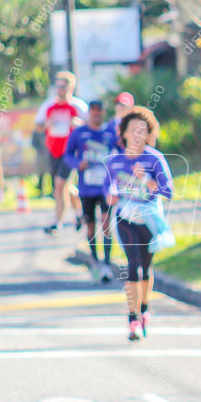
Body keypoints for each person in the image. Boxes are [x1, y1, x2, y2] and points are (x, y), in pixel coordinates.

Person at [103, 106, 173, 341]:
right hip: (125, 218)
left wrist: (150, 181)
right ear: (123, 133)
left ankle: (144, 310)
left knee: (146, 268)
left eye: (141, 131)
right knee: (134, 265)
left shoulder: (154, 158)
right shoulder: (114, 162)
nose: (136, 135)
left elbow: (169, 190)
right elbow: (109, 189)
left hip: (150, 220)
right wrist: (111, 196)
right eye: (132, 130)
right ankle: (132, 319)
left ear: (148, 134)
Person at [64, 100, 118, 282]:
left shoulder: (110, 133)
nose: (96, 114)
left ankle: (108, 263)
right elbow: (67, 155)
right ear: (89, 113)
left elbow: (121, 151)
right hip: (86, 188)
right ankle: (95, 261)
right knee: (90, 226)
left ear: (103, 113)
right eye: (93, 111)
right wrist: (78, 164)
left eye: (99, 111)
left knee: (106, 223)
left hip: (106, 187)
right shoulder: (79, 133)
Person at [35, 71, 87, 234]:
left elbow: (89, 127)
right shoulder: (49, 105)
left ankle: (57, 223)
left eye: (63, 86)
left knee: (59, 185)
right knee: (64, 185)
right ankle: (80, 214)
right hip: (54, 150)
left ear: (70, 87)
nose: (59, 89)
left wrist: (77, 123)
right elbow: (38, 126)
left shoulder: (78, 106)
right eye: (57, 86)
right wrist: (46, 125)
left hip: (71, 152)